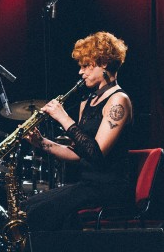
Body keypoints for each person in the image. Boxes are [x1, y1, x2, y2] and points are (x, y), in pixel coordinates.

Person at [21, 31, 133, 231]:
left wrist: (63, 118)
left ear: (103, 63)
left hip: (111, 187)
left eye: (86, 65)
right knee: (27, 206)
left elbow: (96, 153)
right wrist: (42, 143)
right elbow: (78, 154)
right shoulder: (87, 102)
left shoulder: (119, 100)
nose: (81, 72)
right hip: (88, 185)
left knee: (41, 213)